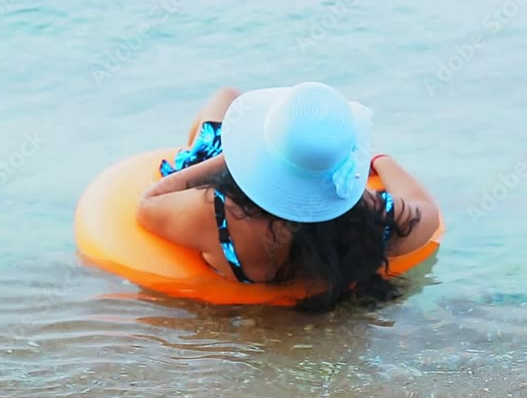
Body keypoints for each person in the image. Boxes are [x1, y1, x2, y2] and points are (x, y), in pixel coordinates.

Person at [135, 82, 440, 311]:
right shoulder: (370, 217)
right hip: (333, 223)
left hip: (239, 196)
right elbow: (426, 210)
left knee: (227, 96)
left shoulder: (217, 212)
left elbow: (148, 204)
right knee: (227, 99)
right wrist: (378, 159)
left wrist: (233, 158)